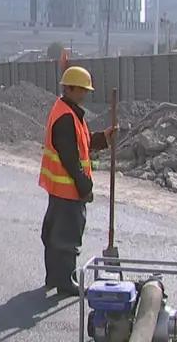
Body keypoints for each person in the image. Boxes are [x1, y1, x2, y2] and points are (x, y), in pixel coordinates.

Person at [39, 65, 114, 297]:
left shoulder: (70, 112)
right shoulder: (65, 117)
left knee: (54, 234)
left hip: (62, 189)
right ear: (69, 89)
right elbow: (70, 158)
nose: (84, 94)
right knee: (67, 236)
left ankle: (55, 277)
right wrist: (85, 186)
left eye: (85, 90)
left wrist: (104, 138)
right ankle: (64, 281)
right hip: (67, 190)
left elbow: (82, 143)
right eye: (81, 90)